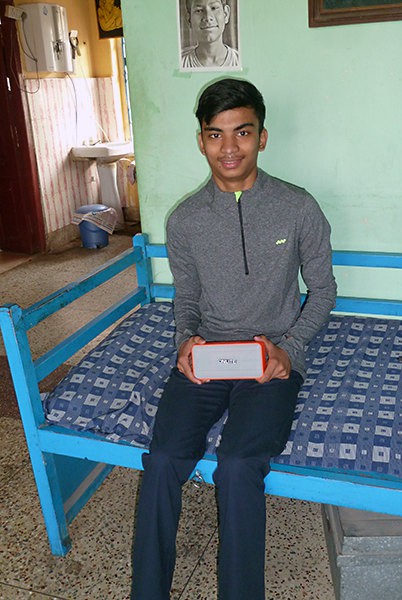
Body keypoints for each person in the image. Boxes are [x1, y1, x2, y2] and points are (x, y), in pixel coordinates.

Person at [131, 78, 336, 600]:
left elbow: (324, 290)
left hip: (271, 359)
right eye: (215, 134)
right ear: (201, 140)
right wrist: (184, 341)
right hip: (209, 356)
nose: (229, 147)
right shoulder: (184, 220)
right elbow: (187, 299)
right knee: (162, 460)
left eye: (242, 132)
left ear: (261, 137)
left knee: (239, 465)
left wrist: (289, 349)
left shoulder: (298, 207)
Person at [181, 0, 240, 69]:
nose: (208, 17)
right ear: (189, 20)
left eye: (214, 8)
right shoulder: (179, 63)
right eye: (199, 10)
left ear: (225, 14)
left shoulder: (241, 61)